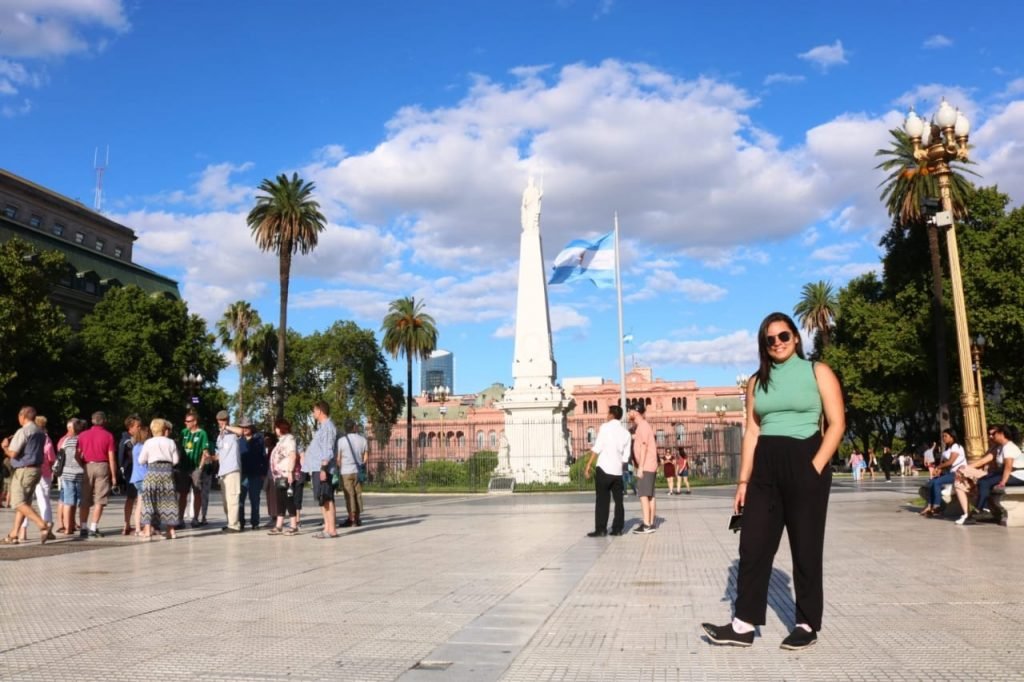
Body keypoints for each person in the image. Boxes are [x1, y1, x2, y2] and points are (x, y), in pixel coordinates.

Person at [702, 312, 844, 650]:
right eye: (770, 340)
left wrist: (814, 467)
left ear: (796, 338)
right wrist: (742, 483)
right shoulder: (756, 381)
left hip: (805, 462)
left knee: (805, 548)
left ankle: (806, 624)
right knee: (752, 545)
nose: (777, 343)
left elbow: (837, 423)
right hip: (765, 468)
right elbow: (752, 432)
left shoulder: (817, 371)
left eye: (783, 336)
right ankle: (742, 626)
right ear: (763, 345)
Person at [1, 406, 53, 544]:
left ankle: (43, 525)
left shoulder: (24, 431)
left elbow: (13, 453)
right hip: (36, 470)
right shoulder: (40, 432)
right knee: (24, 503)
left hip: (24, 470)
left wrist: (5, 446)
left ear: (22, 416)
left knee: (17, 502)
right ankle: (14, 534)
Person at [583, 405, 632, 537]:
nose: (606, 415)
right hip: (617, 472)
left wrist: (588, 465)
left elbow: (597, 447)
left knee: (602, 501)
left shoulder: (605, 428)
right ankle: (617, 529)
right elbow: (626, 456)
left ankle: (601, 529)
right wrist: (621, 469)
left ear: (611, 415)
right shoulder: (626, 433)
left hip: (604, 469)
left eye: (607, 413)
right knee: (619, 501)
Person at [77, 410, 117, 538]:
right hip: (102, 466)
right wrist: (114, 476)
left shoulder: (82, 435)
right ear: (104, 421)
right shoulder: (108, 436)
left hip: (87, 466)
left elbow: (77, 453)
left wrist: (81, 464)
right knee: (100, 498)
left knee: (85, 498)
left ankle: (83, 527)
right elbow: (111, 457)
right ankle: (93, 527)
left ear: (92, 421)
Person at [138, 418, 180, 540]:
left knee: (149, 501)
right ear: (163, 429)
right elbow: (176, 460)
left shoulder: (148, 442)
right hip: (167, 474)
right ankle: (171, 531)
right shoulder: (170, 442)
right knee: (169, 502)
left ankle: (147, 531)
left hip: (152, 473)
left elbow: (141, 460)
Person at [303, 401, 338, 538]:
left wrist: (324, 468)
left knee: (327, 498)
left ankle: (332, 529)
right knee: (322, 499)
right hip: (317, 468)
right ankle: (327, 527)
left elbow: (327, 449)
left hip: (323, 468)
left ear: (320, 411)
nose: (313, 413)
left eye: (314, 411)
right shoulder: (323, 427)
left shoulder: (328, 427)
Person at [19, 415, 57, 541]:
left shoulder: (28, 436)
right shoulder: (46, 438)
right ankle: (47, 526)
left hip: (28, 470)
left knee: (25, 501)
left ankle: (23, 530)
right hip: (44, 472)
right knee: (44, 500)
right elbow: (51, 457)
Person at [921, 429, 965, 517]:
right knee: (931, 483)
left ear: (952, 437)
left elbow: (951, 462)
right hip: (949, 473)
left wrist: (938, 467)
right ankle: (930, 506)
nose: (943, 438)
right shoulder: (948, 448)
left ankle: (937, 506)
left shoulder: (956, 446)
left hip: (958, 473)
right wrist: (939, 470)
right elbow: (944, 462)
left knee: (937, 482)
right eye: (943, 436)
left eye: (945, 436)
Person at [180, 410, 213, 528]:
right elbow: (179, 449)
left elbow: (205, 451)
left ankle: (195, 519)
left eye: (188, 421)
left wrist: (200, 468)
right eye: (185, 421)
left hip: (195, 468)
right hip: (183, 467)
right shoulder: (183, 432)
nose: (186, 423)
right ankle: (180, 519)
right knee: (183, 493)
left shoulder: (202, 433)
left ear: (195, 422)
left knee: (197, 492)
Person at [629, 403, 659, 534]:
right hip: (649, 464)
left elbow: (644, 446)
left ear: (635, 412)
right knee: (650, 495)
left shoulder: (642, 426)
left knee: (643, 494)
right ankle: (650, 523)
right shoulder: (642, 426)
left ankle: (646, 524)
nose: (628, 414)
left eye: (629, 411)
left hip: (646, 465)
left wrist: (640, 467)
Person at [268, 419, 299, 536]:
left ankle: (293, 525)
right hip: (278, 476)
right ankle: (279, 525)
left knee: (289, 499)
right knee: (280, 500)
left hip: (286, 474)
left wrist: (290, 472)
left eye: (276, 427)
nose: (275, 430)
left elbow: (292, 456)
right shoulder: (281, 441)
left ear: (280, 428)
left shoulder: (289, 439)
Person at [337, 420, 368, 529]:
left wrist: (339, 468)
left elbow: (338, 459)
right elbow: (366, 457)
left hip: (345, 471)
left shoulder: (341, 441)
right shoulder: (363, 440)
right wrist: (362, 465)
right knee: (358, 494)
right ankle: (358, 518)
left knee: (349, 496)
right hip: (358, 471)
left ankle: (352, 519)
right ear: (354, 427)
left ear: (345, 428)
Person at [237, 418, 267, 531]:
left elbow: (263, 457)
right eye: (242, 427)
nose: (244, 429)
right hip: (242, 475)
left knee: (255, 499)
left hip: (255, 474)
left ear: (251, 427)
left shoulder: (259, 439)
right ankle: (241, 522)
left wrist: (263, 472)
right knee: (240, 500)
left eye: (247, 427)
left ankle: (255, 522)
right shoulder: (239, 441)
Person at [57, 418, 85, 536]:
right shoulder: (82, 440)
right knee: (78, 502)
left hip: (66, 473)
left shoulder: (67, 441)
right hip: (79, 473)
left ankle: (68, 527)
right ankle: (74, 526)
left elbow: (61, 455)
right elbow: (81, 455)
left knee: (68, 502)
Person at [119, 415, 142, 535]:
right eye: (137, 426)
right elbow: (126, 458)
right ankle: (127, 524)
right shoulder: (128, 441)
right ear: (130, 427)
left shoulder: (133, 439)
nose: (140, 428)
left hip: (134, 473)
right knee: (133, 498)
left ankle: (130, 524)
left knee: (134, 498)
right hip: (132, 473)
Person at [128, 423, 151, 537]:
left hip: (136, 478)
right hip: (144, 477)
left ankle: (138, 528)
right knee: (146, 504)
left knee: (139, 503)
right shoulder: (144, 447)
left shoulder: (135, 447)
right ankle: (147, 528)